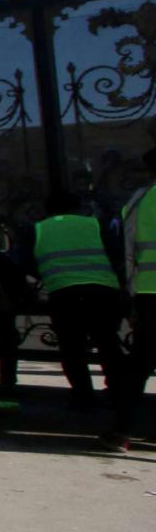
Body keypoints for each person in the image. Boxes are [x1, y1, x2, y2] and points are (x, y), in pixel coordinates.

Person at [28, 189, 120, 428]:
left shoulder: (38, 229)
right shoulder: (95, 224)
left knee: (72, 348)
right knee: (108, 343)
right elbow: (116, 253)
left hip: (63, 293)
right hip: (103, 291)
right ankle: (117, 393)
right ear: (78, 207)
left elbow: (27, 262)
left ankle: (83, 397)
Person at [113, 148, 156, 451]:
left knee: (139, 366)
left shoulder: (139, 201)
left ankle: (121, 432)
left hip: (149, 294)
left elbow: (128, 253)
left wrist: (129, 294)